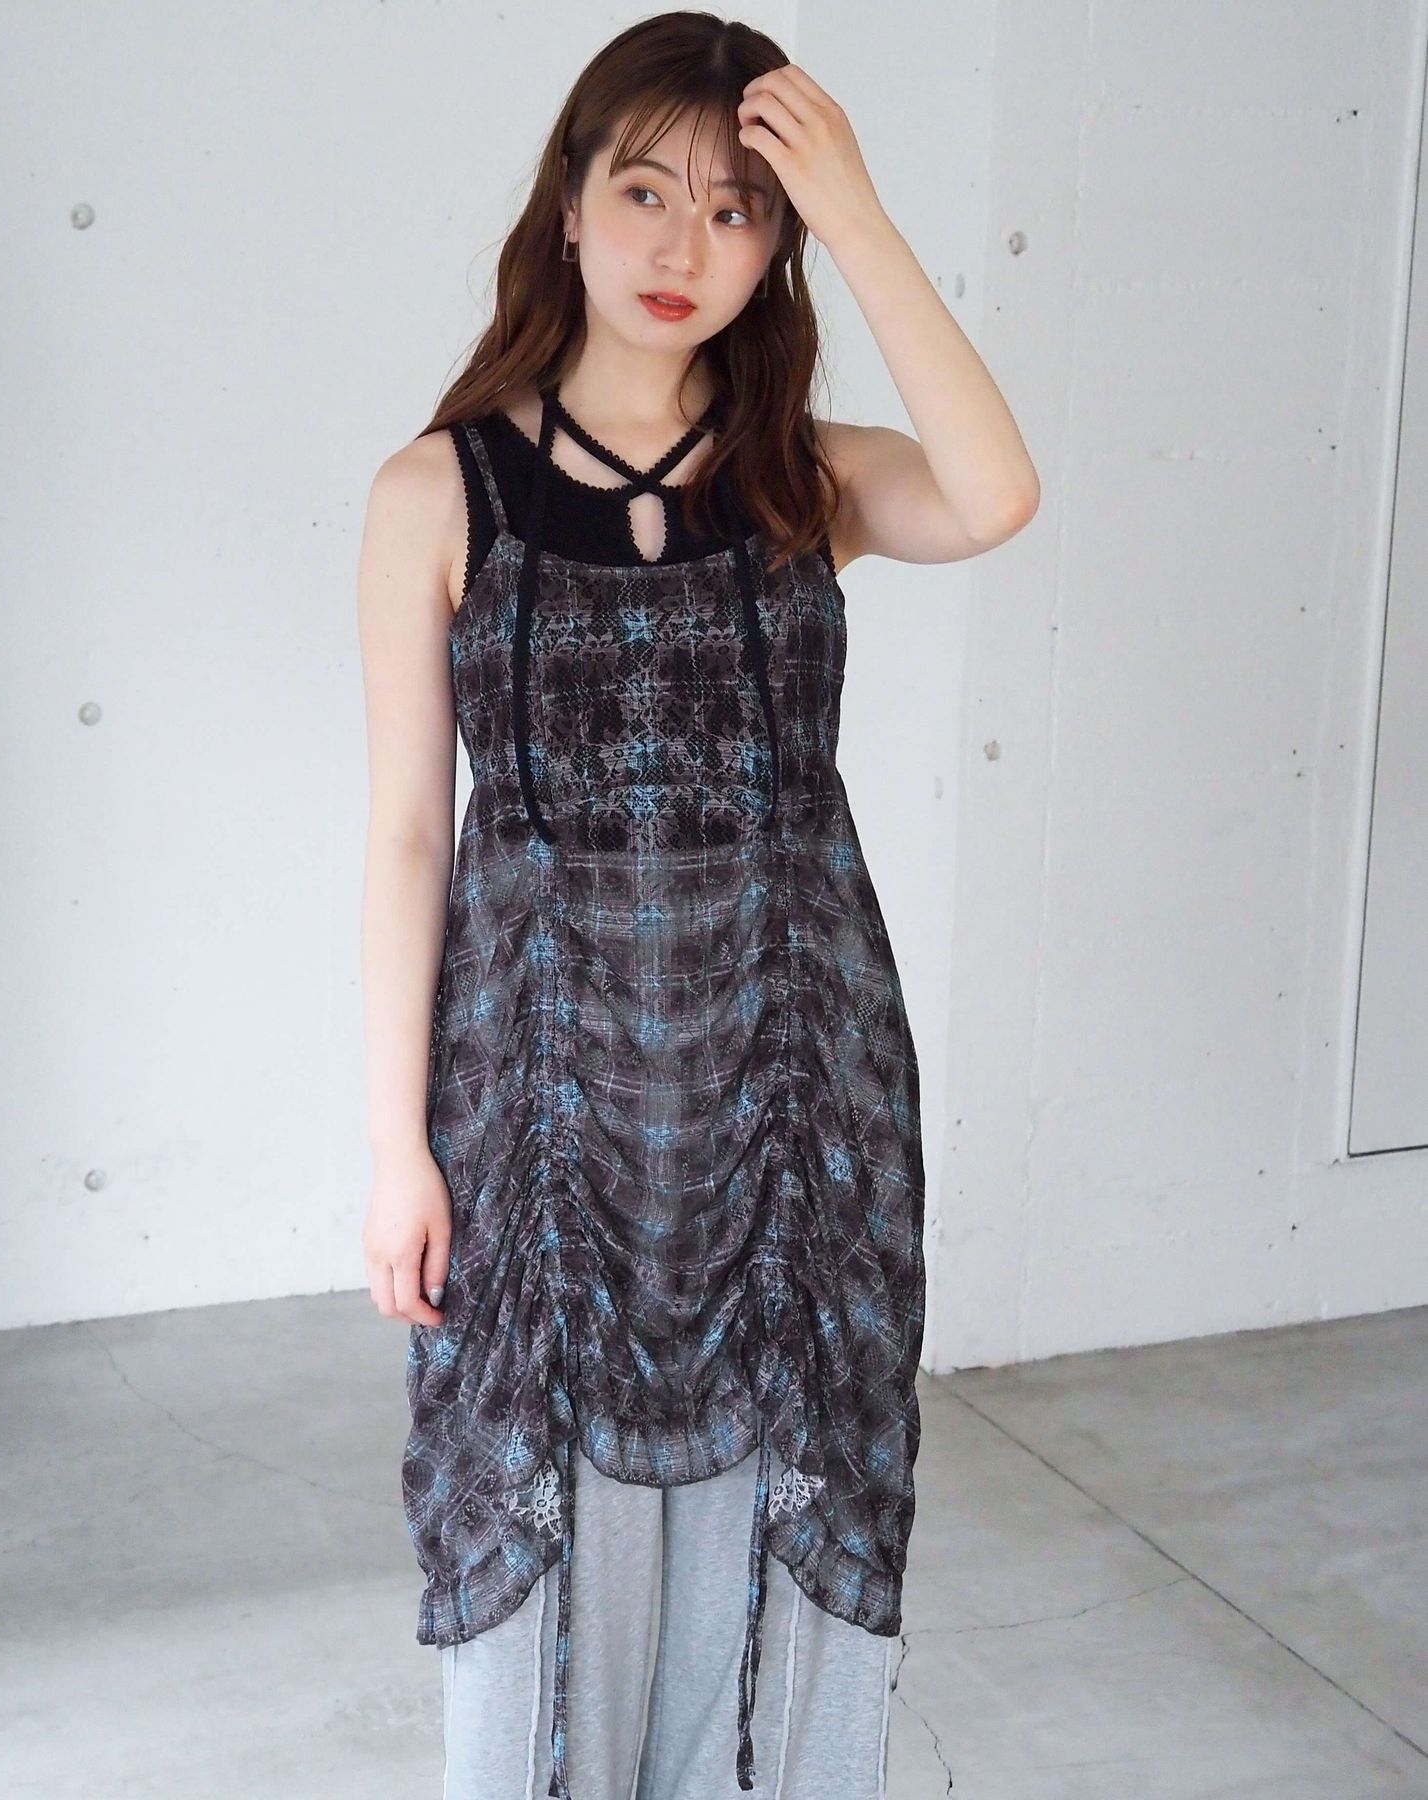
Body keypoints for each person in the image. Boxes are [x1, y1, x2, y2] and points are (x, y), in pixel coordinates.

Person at [356, 14, 1038, 1799]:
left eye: (740, 209)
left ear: (780, 245)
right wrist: (395, 1146)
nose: (685, 244)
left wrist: (861, 213)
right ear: (569, 205)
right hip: (535, 1098)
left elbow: (996, 492)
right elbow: (410, 836)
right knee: (535, 1529)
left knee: (778, 1509)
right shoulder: (437, 490)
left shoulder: (800, 473)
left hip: (795, 1089)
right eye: (646, 191)